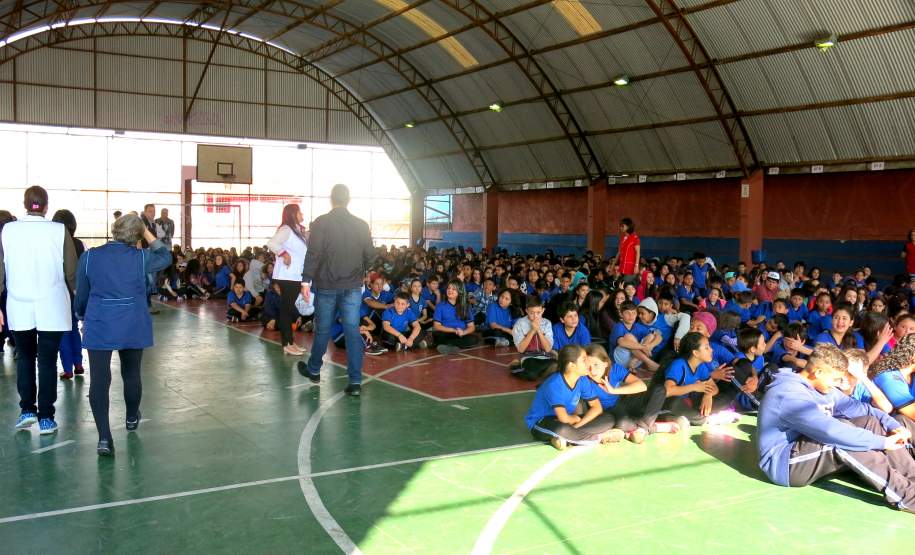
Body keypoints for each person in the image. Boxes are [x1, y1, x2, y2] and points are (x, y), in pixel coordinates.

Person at [757, 343, 915, 513]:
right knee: (844, 437)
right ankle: (908, 497)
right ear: (818, 372)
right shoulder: (789, 393)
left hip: (811, 451)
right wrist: (882, 442)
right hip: (785, 464)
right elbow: (830, 431)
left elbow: (867, 410)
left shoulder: (826, 389)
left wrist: (894, 426)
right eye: (835, 379)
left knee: (871, 422)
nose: (838, 384)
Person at [74, 214, 171, 455]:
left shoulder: (89, 257)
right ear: (137, 236)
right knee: (131, 373)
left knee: (99, 381)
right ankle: (130, 417)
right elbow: (165, 256)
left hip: (99, 322)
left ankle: (104, 439)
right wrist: (146, 232)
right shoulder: (140, 258)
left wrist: (82, 315)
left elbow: (82, 294)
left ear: (114, 230)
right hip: (132, 322)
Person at [1, 187, 78, 435]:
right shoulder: (59, 230)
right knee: (47, 360)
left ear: (25, 204)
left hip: (19, 304)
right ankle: (46, 417)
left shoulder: (8, 230)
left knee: (25, 357)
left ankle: (27, 410)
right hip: (52, 305)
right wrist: (81, 298)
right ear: (46, 206)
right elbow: (71, 273)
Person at [298, 185, 376, 397]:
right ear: (348, 199)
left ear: (331, 199)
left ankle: (314, 370)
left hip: (326, 286)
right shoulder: (361, 225)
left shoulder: (321, 223)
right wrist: (363, 270)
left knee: (322, 329)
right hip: (352, 287)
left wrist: (305, 281)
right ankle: (355, 382)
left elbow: (313, 254)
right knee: (352, 331)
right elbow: (371, 255)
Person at [524, 344, 622, 450]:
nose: (588, 363)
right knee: (562, 429)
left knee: (608, 418)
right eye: (584, 360)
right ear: (572, 365)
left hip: (570, 422)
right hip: (542, 422)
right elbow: (563, 418)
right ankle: (600, 437)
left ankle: (564, 439)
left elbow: (597, 407)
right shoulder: (554, 384)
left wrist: (578, 424)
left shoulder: (582, 379)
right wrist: (576, 419)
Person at [584, 343, 683, 444]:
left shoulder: (615, 369)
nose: (592, 370)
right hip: (611, 412)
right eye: (588, 367)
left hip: (624, 401)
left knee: (659, 390)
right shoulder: (584, 380)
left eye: (596, 364)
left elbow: (642, 386)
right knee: (622, 424)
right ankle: (654, 427)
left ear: (605, 363)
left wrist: (614, 390)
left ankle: (643, 429)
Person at [267, 204, 309, 356]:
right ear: (293, 213)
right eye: (299, 211)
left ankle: (290, 342)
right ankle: (287, 344)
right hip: (287, 276)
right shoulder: (286, 229)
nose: (302, 213)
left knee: (288, 309)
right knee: (286, 310)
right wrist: (284, 254)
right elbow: (271, 243)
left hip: (295, 276)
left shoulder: (297, 230)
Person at [52, 209, 86, 380]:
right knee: (74, 329)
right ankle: (79, 363)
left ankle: (67, 369)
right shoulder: (80, 244)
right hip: (77, 293)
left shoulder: (54, 243)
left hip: (59, 293)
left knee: (63, 332)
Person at [431, 278, 479, 354]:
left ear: (459, 292)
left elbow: (471, 326)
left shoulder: (465, 307)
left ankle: (448, 346)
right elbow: (436, 326)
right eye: (449, 288)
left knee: (474, 339)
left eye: (454, 289)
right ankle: (452, 346)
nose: (450, 290)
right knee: (438, 335)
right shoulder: (440, 306)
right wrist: (454, 330)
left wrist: (464, 332)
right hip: (446, 333)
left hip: (460, 334)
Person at [615, 217, 640, 285]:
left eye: (622, 226)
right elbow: (619, 252)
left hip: (631, 267)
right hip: (622, 266)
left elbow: (638, 252)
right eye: (620, 226)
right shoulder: (623, 238)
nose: (621, 228)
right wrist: (613, 264)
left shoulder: (635, 238)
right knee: (620, 285)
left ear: (628, 227)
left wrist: (636, 266)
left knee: (625, 284)